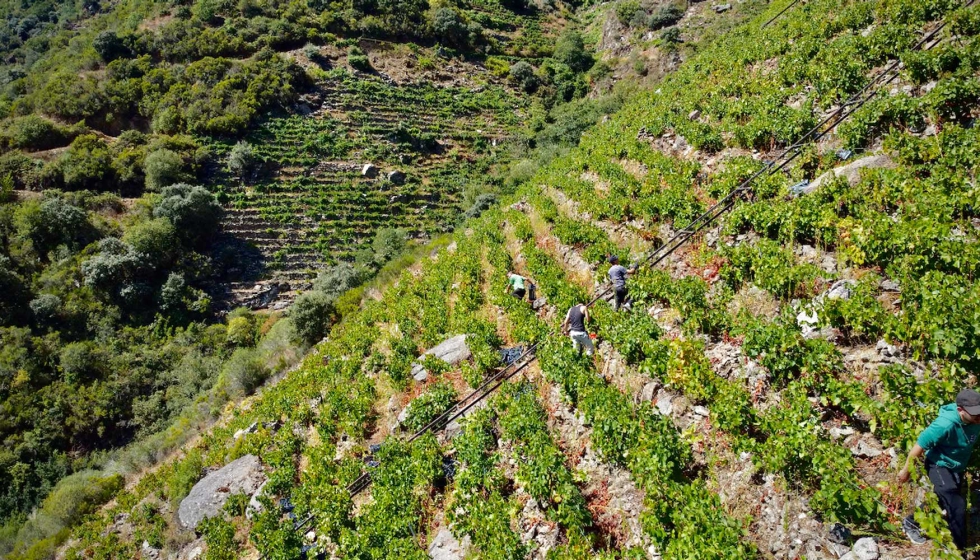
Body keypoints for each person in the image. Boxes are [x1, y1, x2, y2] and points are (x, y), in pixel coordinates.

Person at [898, 388, 980, 548]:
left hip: (957, 466)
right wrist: (906, 471)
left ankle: (910, 522)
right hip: (938, 465)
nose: (979, 417)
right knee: (957, 506)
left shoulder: (976, 419)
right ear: (960, 410)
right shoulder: (945, 424)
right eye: (975, 413)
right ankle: (958, 551)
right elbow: (919, 446)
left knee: (941, 500)